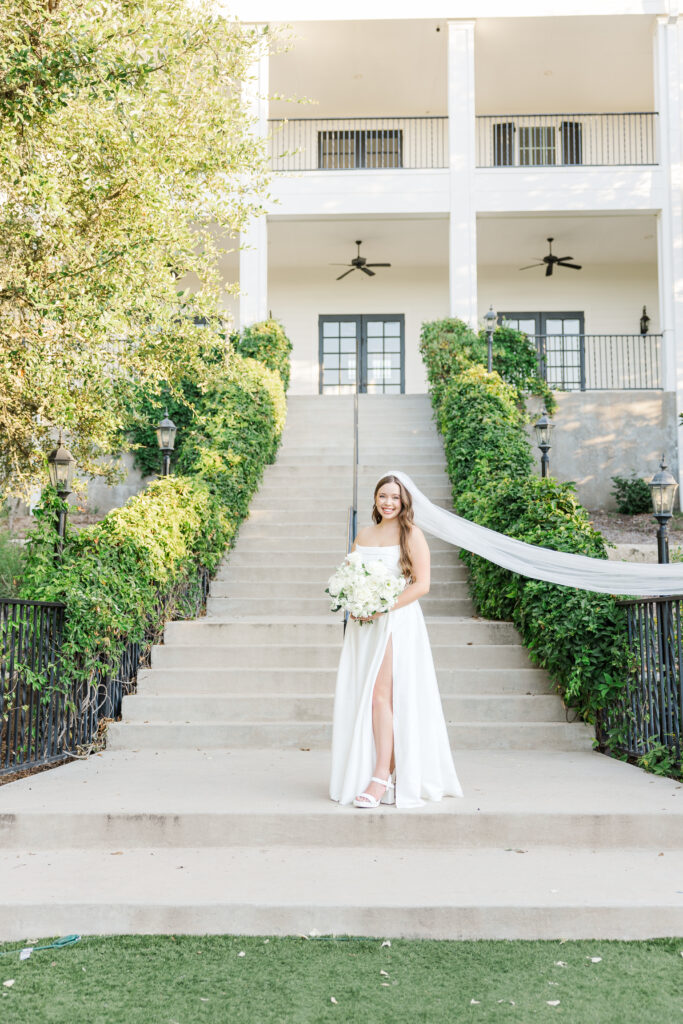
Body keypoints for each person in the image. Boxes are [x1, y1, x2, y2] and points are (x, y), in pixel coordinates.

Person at [329, 474, 464, 809]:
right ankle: (379, 769)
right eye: (382, 496)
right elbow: (352, 576)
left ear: (404, 501)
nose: (388, 502)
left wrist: (380, 607)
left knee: (381, 697)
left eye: (394, 497)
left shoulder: (411, 534)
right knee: (367, 695)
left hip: (396, 623)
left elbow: (422, 585)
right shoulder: (364, 534)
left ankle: (379, 778)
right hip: (364, 625)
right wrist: (355, 602)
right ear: (375, 499)